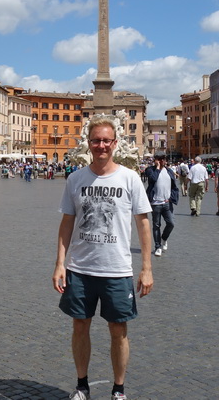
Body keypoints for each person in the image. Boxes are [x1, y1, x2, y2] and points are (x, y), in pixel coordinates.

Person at [53, 115, 153, 400]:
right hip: (80, 268)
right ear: (89, 143)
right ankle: (81, 385)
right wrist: (60, 263)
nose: (101, 146)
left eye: (106, 141)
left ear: (115, 143)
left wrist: (146, 267)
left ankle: (119, 389)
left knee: (118, 330)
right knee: (79, 326)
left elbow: (143, 224)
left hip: (117, 269)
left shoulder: (130, 178)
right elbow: (66, 223)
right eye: (96, 140)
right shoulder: (75, 179)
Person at [144, 153, 178, 257]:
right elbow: (153, 179)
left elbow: (173, 186)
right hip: (155, 203)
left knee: (171, 223)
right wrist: (158, 168)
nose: (162, 161)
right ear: (155, 160)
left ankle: (164, 238)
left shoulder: (169, 171)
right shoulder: (150, 170)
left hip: (167, 202)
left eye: (163, 159)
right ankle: (157, 247)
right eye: (159, 159)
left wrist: (173, 197)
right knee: (156, 225)